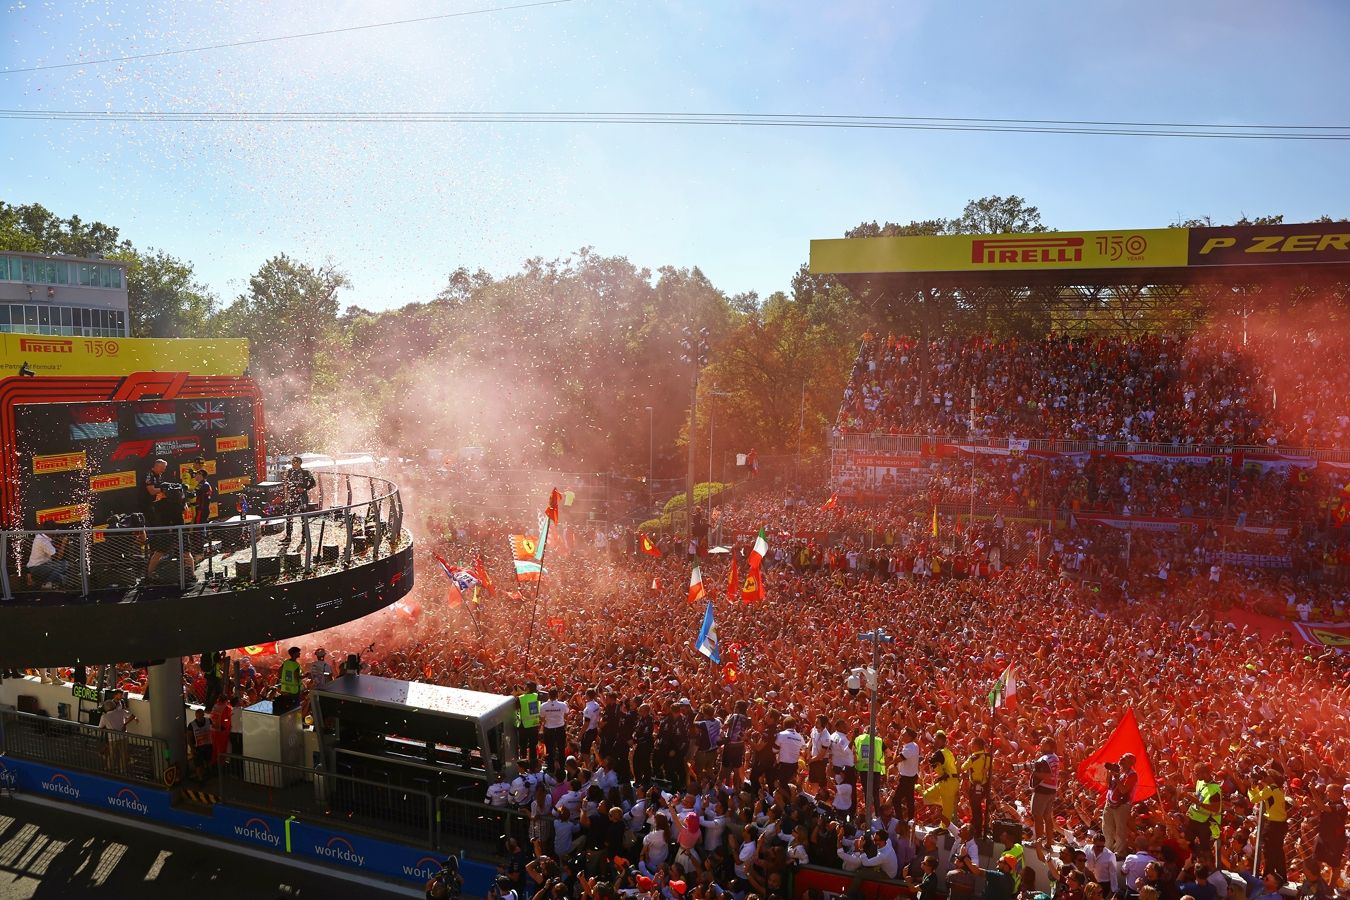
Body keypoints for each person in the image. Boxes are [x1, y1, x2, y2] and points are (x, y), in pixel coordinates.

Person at [1103, 753, 1138, 856]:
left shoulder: (1132, 775)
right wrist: (1110, 773)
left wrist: (1117, 778)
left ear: (1131, 763)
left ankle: (1119, 853)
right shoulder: (1118, 770)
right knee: (1107, 828)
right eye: (1121, 757)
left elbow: (1124, 790)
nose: (1121, 759)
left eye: (1124, 759)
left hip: (1122, 806)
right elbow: (1108, 784)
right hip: (1109, 804)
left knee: (1120, 830)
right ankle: (1107, 850)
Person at [922, 730, 959, 826]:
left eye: (937, 741)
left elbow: (931, 760)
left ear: (942, 742)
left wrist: (930, 752)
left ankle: (944, 829)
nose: (935, 742)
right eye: (935, 740)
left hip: (949, 782)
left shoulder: (941, 752)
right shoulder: (947, 752)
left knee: (947, 810)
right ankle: (943, 802)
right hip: (945, 781)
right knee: (926, 796)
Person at [1028, 737, 1060, 846]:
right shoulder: (1055, 757)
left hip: (1042, 790)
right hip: (1052, 789)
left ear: (1049, 746)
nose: (1040, 744)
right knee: (1047, 817)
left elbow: (1046, 775)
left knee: (1038, 817)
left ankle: (1038, 842)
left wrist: (1033, 772)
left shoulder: (1045, 758)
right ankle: (1049, 842)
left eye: (1043, 743)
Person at [280, 456, 316, 544]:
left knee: (304, 517)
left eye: (295, 461)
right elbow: (286, 484)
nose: (293, 463)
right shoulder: (289, 472)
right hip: (292, 497)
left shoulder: (306, 473)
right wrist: (287, 495)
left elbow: (313, 483)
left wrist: (304, 489)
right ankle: (288, 537)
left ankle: (304, 537)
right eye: (292, 461)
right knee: (289, 516)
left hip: (302, 497)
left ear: (300, 463)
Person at [962, 735, 992, 839]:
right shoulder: (988, 756)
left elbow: (963, 767)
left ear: (975, 746)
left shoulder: (973, 758)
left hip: (975, 786)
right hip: (984, 785)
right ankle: (980, 830)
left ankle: (976, 831)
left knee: (976, 810)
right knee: (979, 809)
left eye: (971, 743)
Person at [98, 698, 136, 774]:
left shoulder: (104, 717)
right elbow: (132, 716)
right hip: (123, 736)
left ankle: (110, 769)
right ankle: (123, 770)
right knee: (123, 754)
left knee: (112, 755)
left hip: (112, 738)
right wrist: (125, 724)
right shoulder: (121, 711)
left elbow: (100, 727)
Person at [539, 689, 569, 769]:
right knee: (561, 749)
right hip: (560, 729)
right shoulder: (563, 705)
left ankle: (551, 768)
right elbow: (566, 714)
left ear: (549, 695)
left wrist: (548, 722)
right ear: (557, 695)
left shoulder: (543, 706)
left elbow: (542, 719)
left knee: (549, 750)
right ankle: (562, 767)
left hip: (549, 730)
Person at [516, 681, 541, 766]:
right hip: (534, 725)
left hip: (524, 726)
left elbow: (516, 711)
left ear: (528, 688)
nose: (524, 688)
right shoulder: (538, 696)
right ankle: (533, 765)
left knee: (523, 747)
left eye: (525, 686)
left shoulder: (521, 698)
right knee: (533, 747)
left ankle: (523, 765)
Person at [187, 707, 214, 781]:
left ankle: (209, 775)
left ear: (203, 715)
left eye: (201, 716)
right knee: (198, 764)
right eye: (197, 716)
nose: (199, 718)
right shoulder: (191, 725)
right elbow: (189, 737)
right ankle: (200, 779)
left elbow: (213, 730)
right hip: (197, 748)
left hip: (208, 745)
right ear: (196, 716)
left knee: (208, 761)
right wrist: (192, 748)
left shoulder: (209, 721)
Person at [274, 646, 303, 714]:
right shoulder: (296, 665)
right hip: (294, 691)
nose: (300, 653)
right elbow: (296, 677)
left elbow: (279, 671)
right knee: (294, 709)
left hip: (285, 689)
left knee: (286, 707)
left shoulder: (286, 662)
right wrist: (305, 676)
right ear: (295, 653)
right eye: (298, 652)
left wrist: (281, 679)